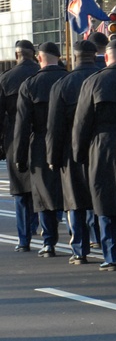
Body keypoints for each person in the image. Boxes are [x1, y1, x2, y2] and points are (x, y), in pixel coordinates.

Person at [73, 39, 116, 271]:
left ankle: (111, 256)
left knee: (105, 203)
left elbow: (82, 122)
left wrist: (79, 153)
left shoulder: (94, 81)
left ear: (107, 56)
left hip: (103, 145)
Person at [47, 41, 102, 264]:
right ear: (95, 55)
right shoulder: (102, 79)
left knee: (74, 201)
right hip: (100, 145)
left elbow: (54, 126)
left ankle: (80, 249)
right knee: (101, 198)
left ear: (74, 57)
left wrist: (53, 157)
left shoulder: (63, 84)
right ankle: (107, 244)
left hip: (71, 149)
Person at [13, 42, 67, 258]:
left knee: (43, 195)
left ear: (40, 58)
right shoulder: (68, 79)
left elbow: (22, 124)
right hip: (67, 141)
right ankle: (78, 239)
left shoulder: (30, 84)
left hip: (40, 143)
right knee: (68, 191)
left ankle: (49, 242)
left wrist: (19, 156)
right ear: (58, 56)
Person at [1, 40, 40, 252]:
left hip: (15, 139)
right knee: (41, 187)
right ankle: (45, 234)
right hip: (42, 137)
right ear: (34, 54)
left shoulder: (5, 79)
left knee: (20, 191)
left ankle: (24, 238)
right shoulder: (42, 75)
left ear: (17, 56)